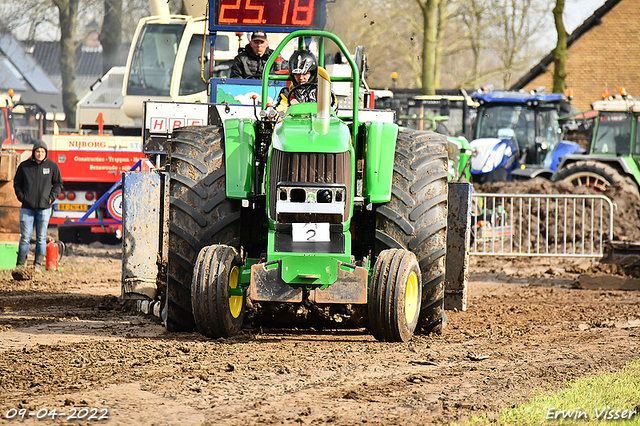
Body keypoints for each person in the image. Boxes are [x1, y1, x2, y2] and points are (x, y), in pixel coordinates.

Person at [13, 139, 63, 269]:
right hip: (27, 208)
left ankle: (38, 265)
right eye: (37, 151)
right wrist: (22, 197)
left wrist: (51, 198)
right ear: (33, 152)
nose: (40, 154)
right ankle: (20, 265)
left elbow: (58, 184)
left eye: (42, 151)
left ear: (45, 153)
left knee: (41, 237)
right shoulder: (24, 166)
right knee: (25, 237)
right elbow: (17, 183)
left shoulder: (52, 167)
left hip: (44, 208)